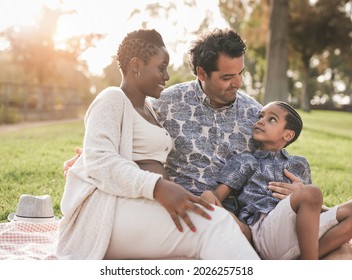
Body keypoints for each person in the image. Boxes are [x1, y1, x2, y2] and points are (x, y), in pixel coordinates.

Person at [63, 28, 301, 243]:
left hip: (232, 214)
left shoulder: (255, 114)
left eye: (240, 73)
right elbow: (130, 132)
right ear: (202, 73)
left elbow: (273, 155)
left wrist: (297, 187)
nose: (237, 83)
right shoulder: (165, 102)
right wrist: (87, 159)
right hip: (174, 208)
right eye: (227, 77)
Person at [201, 101, 352, 259]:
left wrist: (304, 194)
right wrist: (209, 196)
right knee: (311, 192)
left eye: (271, 119)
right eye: (261, 116)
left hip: (301, 232)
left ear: (288, 135)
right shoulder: (245, 160)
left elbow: (312, 208)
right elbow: (217, 196)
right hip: (264, 232)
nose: (260, 121)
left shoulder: (299, 164)